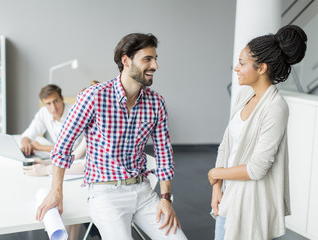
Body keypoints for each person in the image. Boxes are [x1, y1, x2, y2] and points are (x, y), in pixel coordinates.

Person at [36, 33, 188, 240]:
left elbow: (164, 154)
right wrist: (56, 192)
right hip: (105, 193)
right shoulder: (94, 96)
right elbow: (63, 146)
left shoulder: (156, 103)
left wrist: (165, 198)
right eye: (147, 59)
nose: (155, 65)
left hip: (143, 191)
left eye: (156, 58)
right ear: (126, 60)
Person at [208, 25, 307, 240]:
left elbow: (257, 169)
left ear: (261, 68)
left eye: (242, 63)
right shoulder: (244, 95)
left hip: (251, 203)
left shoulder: (275, 108)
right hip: (227, 196)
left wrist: (216, 174)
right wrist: (217, 188)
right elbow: (226, 145)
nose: (236, 68)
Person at [21, 84, 72, 156]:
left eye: (55, 101)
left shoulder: (73, 113)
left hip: (77, 160)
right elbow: (30, 132)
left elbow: (71, 149)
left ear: (62, 98)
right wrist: (26, 144)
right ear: (44, 104)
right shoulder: (44, 112)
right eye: (48, 103)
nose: (53, 107)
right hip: (58, 157)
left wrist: (40, 147)